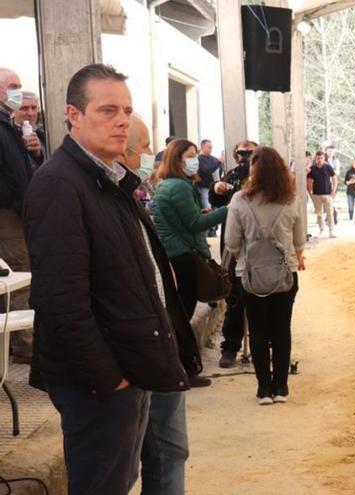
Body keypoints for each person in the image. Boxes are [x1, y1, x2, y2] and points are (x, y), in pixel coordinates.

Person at [23, 63, 195, 495]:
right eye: (107, 110)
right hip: (97, 384)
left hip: (124, 371)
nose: (122, 120)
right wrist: (109, 379)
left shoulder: (108, 179)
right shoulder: (60, 184)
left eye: (127, 110)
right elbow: (60, 300)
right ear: (73, 115)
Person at [119, 114, 199, 495]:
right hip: (133, 353)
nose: (152, 152)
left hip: (158, 343)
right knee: (129, 466)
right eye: (147, 144)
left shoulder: (131, 192)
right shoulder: (73, 190)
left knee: (169, 451)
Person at [225, 146, 306, 404]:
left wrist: (246, 257)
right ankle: (281, 387)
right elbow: (299, 240)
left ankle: (263, 390)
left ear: (254, 170)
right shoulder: (292, 199)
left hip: (250, 275)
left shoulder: (239, 200)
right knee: (282, 330)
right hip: (285, 274)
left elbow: (231, 242)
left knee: (258, 331)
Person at [151, 138, 228, 320]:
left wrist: (201, 212)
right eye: (190, 156)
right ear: (176, 159)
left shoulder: (167, 184)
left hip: (174, 253)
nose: (195, 161)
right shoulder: (179, 187)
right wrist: (228, 210)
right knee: (184, 312)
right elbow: (195, 224)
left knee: (179, 309)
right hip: (184, 255)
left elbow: (180, 218)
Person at [0, 68, 40, 363]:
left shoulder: (9, 125)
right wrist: (16, 200)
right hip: (7, 214)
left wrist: (36, 154)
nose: (17, 91)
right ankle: (26, 346)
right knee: (19, 271)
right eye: (13, 86)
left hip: (20, 211)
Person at [210, 140, 257, 368]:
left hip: (260, 248)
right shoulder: (231, 176)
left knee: (262, 299)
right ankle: (230, 346)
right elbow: (217, 202)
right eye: (241, 153)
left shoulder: (268, 178)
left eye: (251, 153)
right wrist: (216, 190)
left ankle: (261, 345)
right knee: (235, 299)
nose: (245, 158)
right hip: (233, 247)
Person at [307, 150, 337, 238]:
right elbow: (308, 182)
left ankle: (331, 230)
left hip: (328, 194)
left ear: (324, 158)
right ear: (315, 159)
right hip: (316, 194)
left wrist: (333, 191)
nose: (319, 160)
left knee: (329, 213)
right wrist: (310, 194)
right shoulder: (312, 169)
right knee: (319, 214)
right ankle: (321, 230)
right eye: (318, 158)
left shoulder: (328, 167)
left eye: (321, 158)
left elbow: (335, 178)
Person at [13, 90, 47, 168]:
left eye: (34, 108)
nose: (30, 113)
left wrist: (38, 155)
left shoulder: (44, 136)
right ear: (14, 111)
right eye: (24, 108)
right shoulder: (7, 136)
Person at [197, 139, 223, 236]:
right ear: (203, 147)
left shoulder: (213, 159)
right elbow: (206, 170)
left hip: (214, 187)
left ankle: (214, 228)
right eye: (209, 147)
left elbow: (219, 170)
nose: (210, 149)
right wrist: (218, 163)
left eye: (211, 147)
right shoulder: (200, 159)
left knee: (215, 208)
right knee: (207, 208)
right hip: (204, 187)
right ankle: (209, 230)